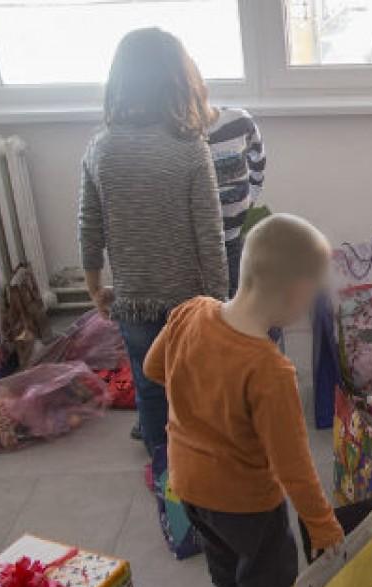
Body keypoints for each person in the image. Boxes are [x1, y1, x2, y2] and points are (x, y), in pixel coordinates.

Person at [143, 213, 343, 587]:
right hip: (246, 497)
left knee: (219, 548)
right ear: (295, 294)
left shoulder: (190, 311)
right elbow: (293, 467)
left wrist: (199, 398)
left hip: (187, 482)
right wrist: (322, 524)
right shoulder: (270, 371)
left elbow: (154, 369)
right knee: (269, 563)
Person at [78, 27, 228, 454]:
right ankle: (198, 462)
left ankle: (165, 472)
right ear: (177, 81)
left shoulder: (100, 148)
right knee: (194, 389)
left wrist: (94, 286)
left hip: (134, 301)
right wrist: (217, 302)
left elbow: (90, 226)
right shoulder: (190, 149)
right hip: (190, 305)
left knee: (149, 388)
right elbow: (210, 236)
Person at [207, 106, 266, 297]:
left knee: (244, 298)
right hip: (196, 249)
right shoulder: (175, 137)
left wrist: (249, 199)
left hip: (232, 237)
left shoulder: (238, 122)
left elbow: (258, 161)